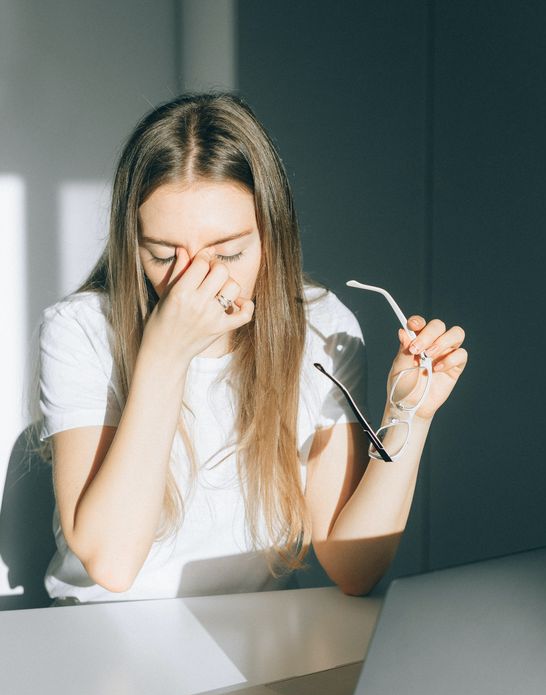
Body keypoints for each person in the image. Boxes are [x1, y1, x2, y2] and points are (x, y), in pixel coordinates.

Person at [38, 92, 467, 604]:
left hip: (256, 635)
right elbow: (110, 563)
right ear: (132, 246)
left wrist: (408, 415)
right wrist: (166, 354)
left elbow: (354, 568)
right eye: (163, 256)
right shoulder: (82, 329)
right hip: (98, 632)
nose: (199, 280)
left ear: (271, 239)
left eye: (230, 252)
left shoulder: (322, 327)